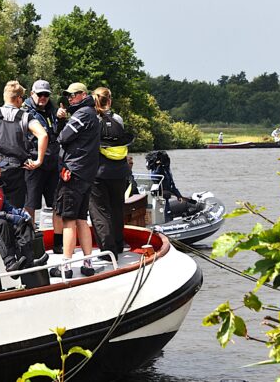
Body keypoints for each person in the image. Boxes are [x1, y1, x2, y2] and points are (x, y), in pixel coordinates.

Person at [50, 82, 100, 279]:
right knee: (81, 219)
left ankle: (66, 266)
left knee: (68, 219)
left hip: (74, 173)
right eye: (68, 96)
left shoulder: (82, 114)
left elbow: (62, 137)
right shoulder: (92, 113)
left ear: (83, 94)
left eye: (73, 95)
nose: (70, 99)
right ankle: (88, 263)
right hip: (87, 173)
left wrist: (61, 120)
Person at [88, 87, 134, 261]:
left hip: (99, 172)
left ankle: (108, 251)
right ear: (110, 101)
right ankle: (119, 244)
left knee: (100, 212)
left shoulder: (92, 119)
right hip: (120, 171)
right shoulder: (118, 119)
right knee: (116, 209)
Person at [21, 80, 66, 223]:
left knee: (56, 203)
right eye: (40, 94)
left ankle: (58, 242)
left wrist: (61, 120)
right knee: (30, 203)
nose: (43, 98)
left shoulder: (53, 110)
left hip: (52, 163)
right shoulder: (23, 112)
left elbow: (60, 134)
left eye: (46, 95)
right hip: (32, 163)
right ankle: (29, 236)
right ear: (32, 94)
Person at [145, 150, 184, 221]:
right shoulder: (159, 170)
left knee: (166, 215)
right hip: (160, 198)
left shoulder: (162, 170)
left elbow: (171, 184)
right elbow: (170, 184)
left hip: (163, 198)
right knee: (164, 215)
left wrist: (178, 195)